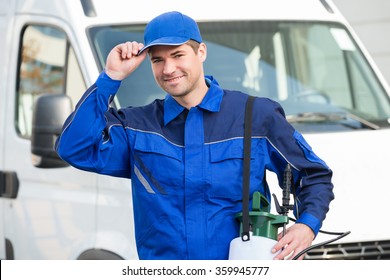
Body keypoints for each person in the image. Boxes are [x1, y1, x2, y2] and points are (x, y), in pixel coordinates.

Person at [55, 11, 334, 260]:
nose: (168, 69)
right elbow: (74, 148)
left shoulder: (254, 116)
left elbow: (314, 175)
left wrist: (306, 225)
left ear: (201, 52)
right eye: (158, 60)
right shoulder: (137, 127)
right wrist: (111, 76)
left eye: (177, 55)